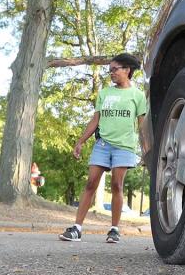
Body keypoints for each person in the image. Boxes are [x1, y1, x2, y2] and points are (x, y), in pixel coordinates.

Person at [60, 53, 147, 243]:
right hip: (103, 144)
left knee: (117, 185)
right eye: (109, 71)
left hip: (124, 147)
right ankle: (77, 228)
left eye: (115, 69)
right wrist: (81, 141)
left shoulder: (138, 96)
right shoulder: (105, 93)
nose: (111, 74)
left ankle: (114, 229)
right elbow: (95, 120)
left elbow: (142, 126)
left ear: (127, 70)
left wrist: (147, 150)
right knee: (91, 183)